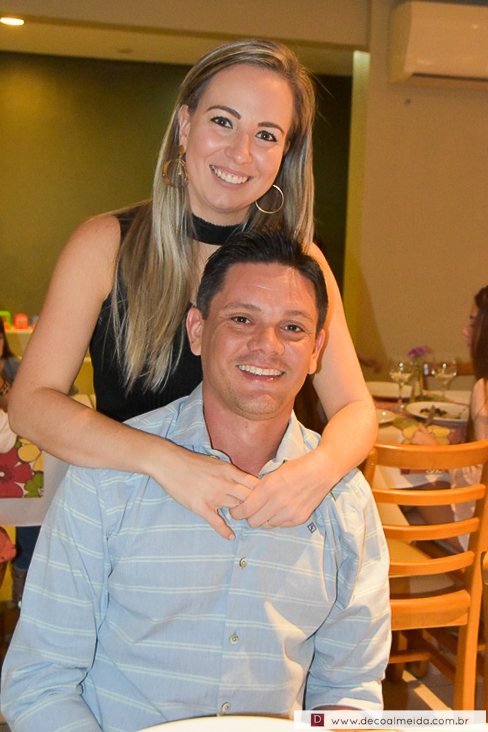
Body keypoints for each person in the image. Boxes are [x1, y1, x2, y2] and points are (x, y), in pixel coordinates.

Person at [1, 232, 390, 731]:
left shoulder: (343, 501)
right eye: (242, 319)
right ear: (197, 330)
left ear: (316, 351)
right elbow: (39, 682)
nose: (267, 345)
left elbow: (350, 688)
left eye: (292, 327)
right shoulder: (108, 480)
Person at [9, 39, 377, 540]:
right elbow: (31, 405)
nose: (240, 152)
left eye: (266, 135)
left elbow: (357, 410)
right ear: (185, 125)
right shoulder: (105, 245)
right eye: (223, 121)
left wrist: (316, 471)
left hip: (254, 529)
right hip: (131, 526)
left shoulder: (301, 263)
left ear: (285, 154)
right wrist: (168, 462)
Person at [411, 285, 488, 547]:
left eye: (474, 322)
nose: (466, 331)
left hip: (481, 535)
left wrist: (439, 453)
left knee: (414, 485)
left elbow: (479, 479)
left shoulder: (484, 389)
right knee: (410, 516)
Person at [0, 319, 40, 603]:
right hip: (12, 464)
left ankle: (22, 580)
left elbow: (26, 411)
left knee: (31, 511)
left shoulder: (13, 367)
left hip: (19, 471)